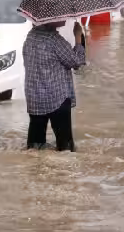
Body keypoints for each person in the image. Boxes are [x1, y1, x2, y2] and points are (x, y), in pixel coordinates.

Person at [23, 22, 86, 151]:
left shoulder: (31, 36)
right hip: (57, 98)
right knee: (66, 148)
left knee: (35, 147)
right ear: (52, 20)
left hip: (35, 98)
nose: (64, 18)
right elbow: (76, 62)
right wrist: (78, 37)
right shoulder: (55, 40)